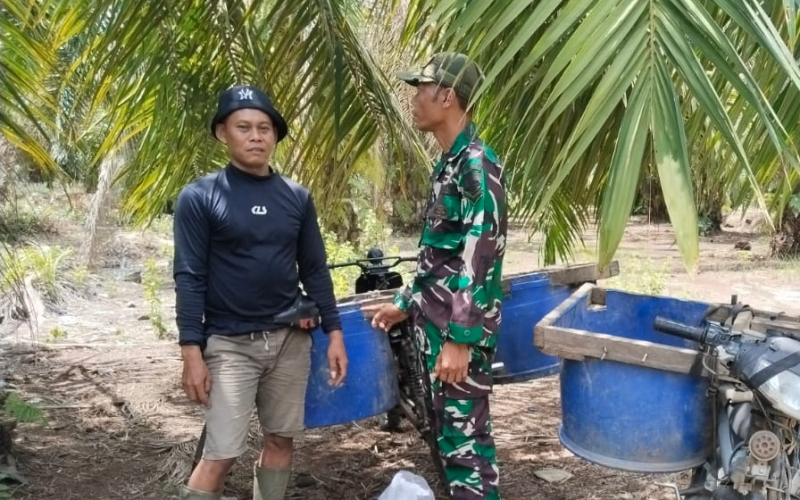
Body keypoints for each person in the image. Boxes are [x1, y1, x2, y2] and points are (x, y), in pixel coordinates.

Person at [173, 85, 348, 500]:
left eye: (265, 128)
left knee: (281, 440)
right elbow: (189, 276)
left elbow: (315, 269)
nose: (256, 136)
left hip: (289, 341)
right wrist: (191, 353)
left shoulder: (296, 197)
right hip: (230, 344)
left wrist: (335, 332)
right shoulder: (200, 197)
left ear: (275, 135)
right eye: (244, 127)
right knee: (221, 453)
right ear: (222, 133)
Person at [364, 53, 507, 500]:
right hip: (437, 329)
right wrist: (404, 304)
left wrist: (460, 339)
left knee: (467, 452)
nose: (414, 98)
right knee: (452, 445)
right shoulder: (449, 164)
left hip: (456, 336)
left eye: (420, 89)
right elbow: (438, 258)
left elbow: (481, 256)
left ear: (446, 96)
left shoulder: (476, 165)